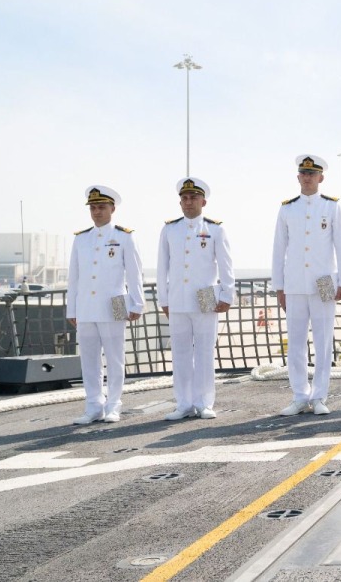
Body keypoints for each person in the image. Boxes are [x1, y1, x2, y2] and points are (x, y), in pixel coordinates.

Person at [272, 155, 341, 416]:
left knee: (323, 342)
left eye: (312, 173)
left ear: (321, 178)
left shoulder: (331, 207)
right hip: (294, 285)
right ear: (298, 177)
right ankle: (298, 395)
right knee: (295, 343)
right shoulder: (287, 208)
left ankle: (319, 396)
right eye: (303, 173)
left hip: (324, 284)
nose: (307, 177)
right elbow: (278, 250)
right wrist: (279, 287)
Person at [157, 178, 235, 421]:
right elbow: (162, 268)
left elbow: (226, 265)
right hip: (178, 301)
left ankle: (204, 402)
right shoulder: (170, 229)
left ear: (204, 201)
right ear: (180, 201)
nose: (188, 202)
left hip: (205, 301)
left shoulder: (215, 229)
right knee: (180, 355)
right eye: (184, 198)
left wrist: (226, 295)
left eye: (193, 198)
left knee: (204, 353)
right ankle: (183, 403)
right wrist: (164, 300)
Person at [67, 186, 144, 425]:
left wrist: (137, 304)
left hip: (116, 304)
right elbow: (74, 277)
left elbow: (134, 274)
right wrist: (72, 309)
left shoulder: (124, 236)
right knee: (89, 360)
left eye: (101, 207)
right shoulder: (81, 238)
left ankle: (113, 405)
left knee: (114, 358)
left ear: (112, 208)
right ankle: (93, 406)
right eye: (93, 207)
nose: (96, 212)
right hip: (87, 307)